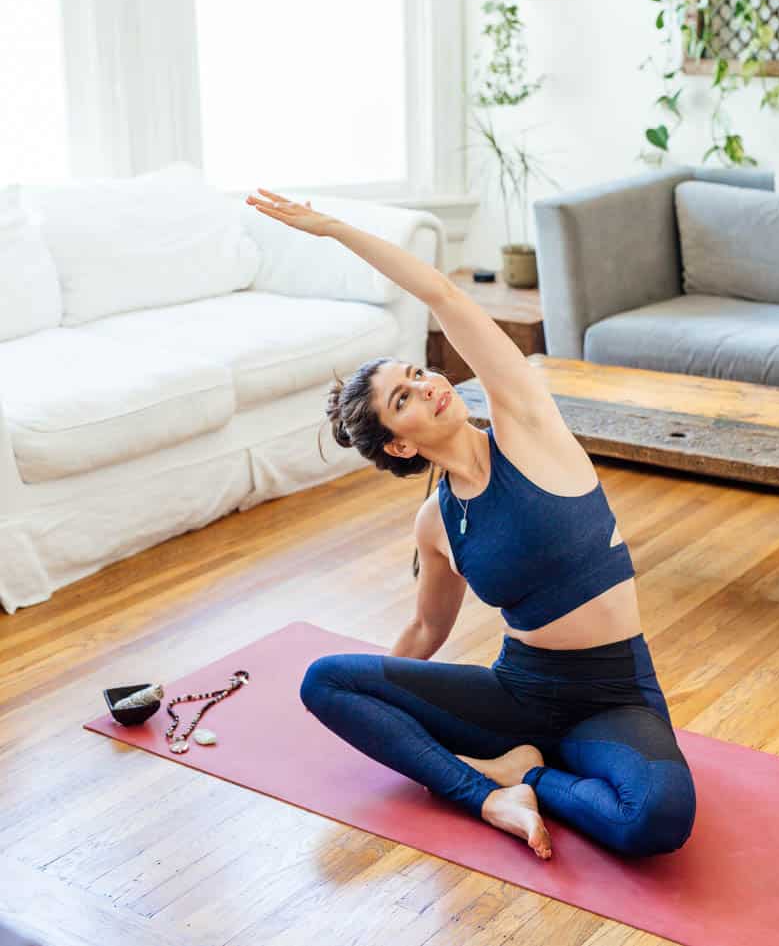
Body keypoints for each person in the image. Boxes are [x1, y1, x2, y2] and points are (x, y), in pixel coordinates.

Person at [245, 187, 697, 860]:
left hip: (615, 696)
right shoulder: (438, 523)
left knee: (657, 817)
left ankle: (525, 773)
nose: (429, 384)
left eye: (417, 372)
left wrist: (336, 228)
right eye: (405, 397)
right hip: (518, 693)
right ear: (400, 444)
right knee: (323, 680)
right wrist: (370, 707)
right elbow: (428, 629)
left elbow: (446, 299)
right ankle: (489, 795)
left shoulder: (525, 425)